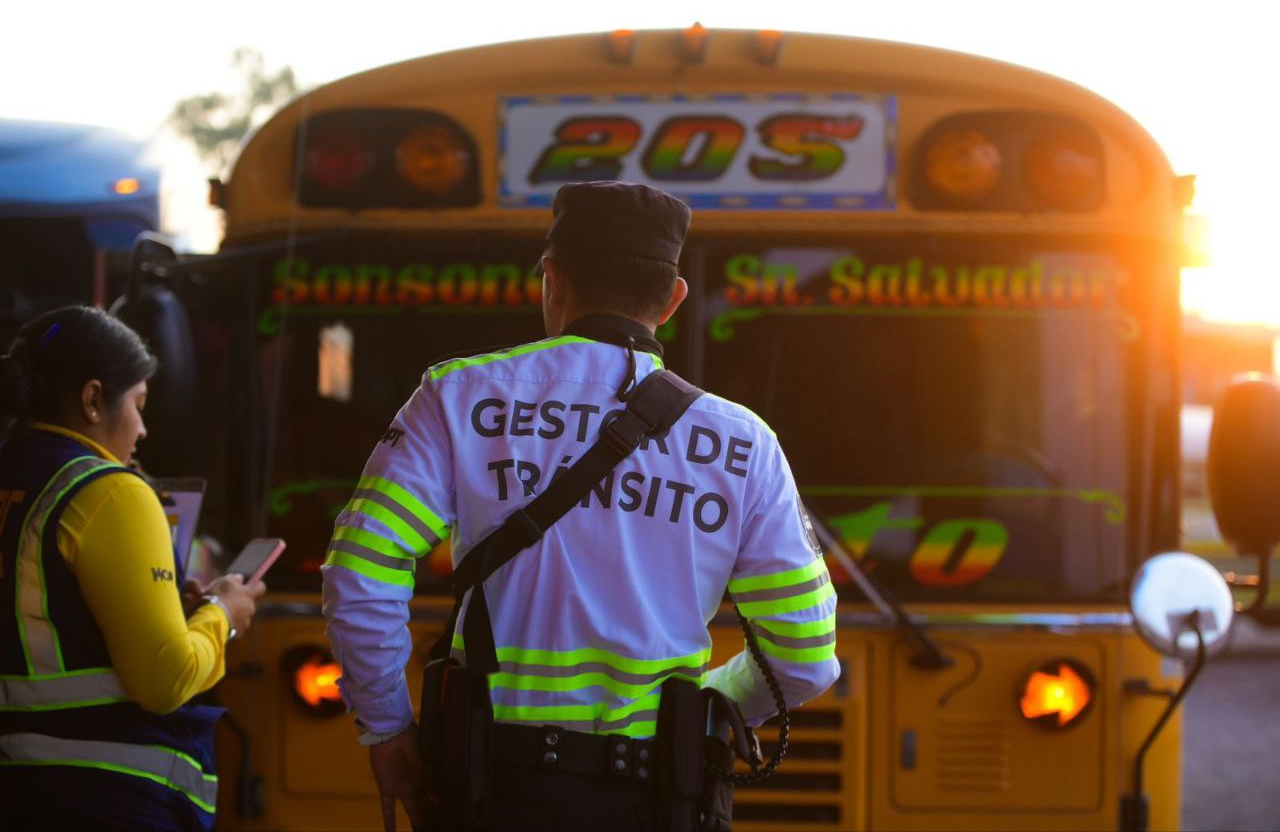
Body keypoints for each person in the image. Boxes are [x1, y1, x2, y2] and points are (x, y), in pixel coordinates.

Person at [323, 182, 840, 830]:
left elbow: (360, 569)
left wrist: (387, 725)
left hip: (491, 788)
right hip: (660, 797)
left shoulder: (456, 396)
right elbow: (805, 656)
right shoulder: (746, 444)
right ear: (674, 298)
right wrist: (704, 706)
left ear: (552, 279)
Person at [0, 305, 265, 830]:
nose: (142, 430)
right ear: (94, 399)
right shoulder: (110, 492)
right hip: (108, 795)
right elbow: (166, 680)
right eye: (139, 404)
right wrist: (224, 613)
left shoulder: (16, 477)